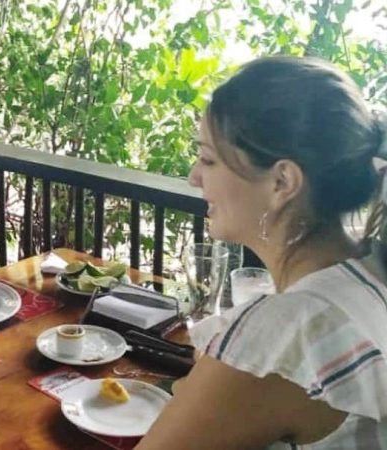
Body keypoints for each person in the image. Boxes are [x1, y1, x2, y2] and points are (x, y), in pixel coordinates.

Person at [135, 56, 387, 449]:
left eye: (208, 159)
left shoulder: (290, 331)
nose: (193, 176)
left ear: (282, 181)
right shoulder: (369, 270)